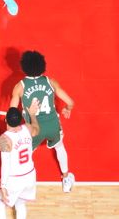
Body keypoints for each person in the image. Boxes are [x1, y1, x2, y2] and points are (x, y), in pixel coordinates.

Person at [9, 51, 76, 192]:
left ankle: (21, 183)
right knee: (60, 147)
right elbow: (70, 101)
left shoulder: (20, 86)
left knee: (25, 154)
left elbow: (12, 112)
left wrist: (12, 131)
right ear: (42, 66)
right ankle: (66, 179)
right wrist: (67, 109)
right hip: (52, 125)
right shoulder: (50, 82)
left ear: (23, 67)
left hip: (33, 129)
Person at [0, 107, 39, 219]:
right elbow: (37, 129)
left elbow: (6, 165)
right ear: (21, 119)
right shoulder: (28, 128)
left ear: (6, 120)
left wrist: (3, 186)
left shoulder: (4, 139)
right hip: (30, 176)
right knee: (20, 203)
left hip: (14, 179)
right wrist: (32, 115)